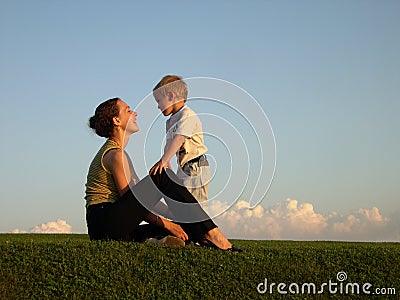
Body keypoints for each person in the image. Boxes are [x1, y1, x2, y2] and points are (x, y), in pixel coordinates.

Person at [85, 97, 241, 252]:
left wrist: (173, 215)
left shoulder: (119, 154)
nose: (135, 113)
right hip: (105, 223)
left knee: (184, 230)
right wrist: (167, 223)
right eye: (128, 110)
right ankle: (212, 234)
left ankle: (169, 238)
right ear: (116, 120)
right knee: (162, 175)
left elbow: (140, 201)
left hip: (113, 228)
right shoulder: (115, 155)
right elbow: (137, 201)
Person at [150, 75, 210, 204]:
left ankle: (202, 224)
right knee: (181, 200)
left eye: (159, 101)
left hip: (196, 166)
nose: (158, 106)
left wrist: (163, 160)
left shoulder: (186, 115)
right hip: (183, 167)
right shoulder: (170, 122)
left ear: (171, 96)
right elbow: (169, 146)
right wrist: (167, 166)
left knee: (194, 203)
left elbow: (179, 139)